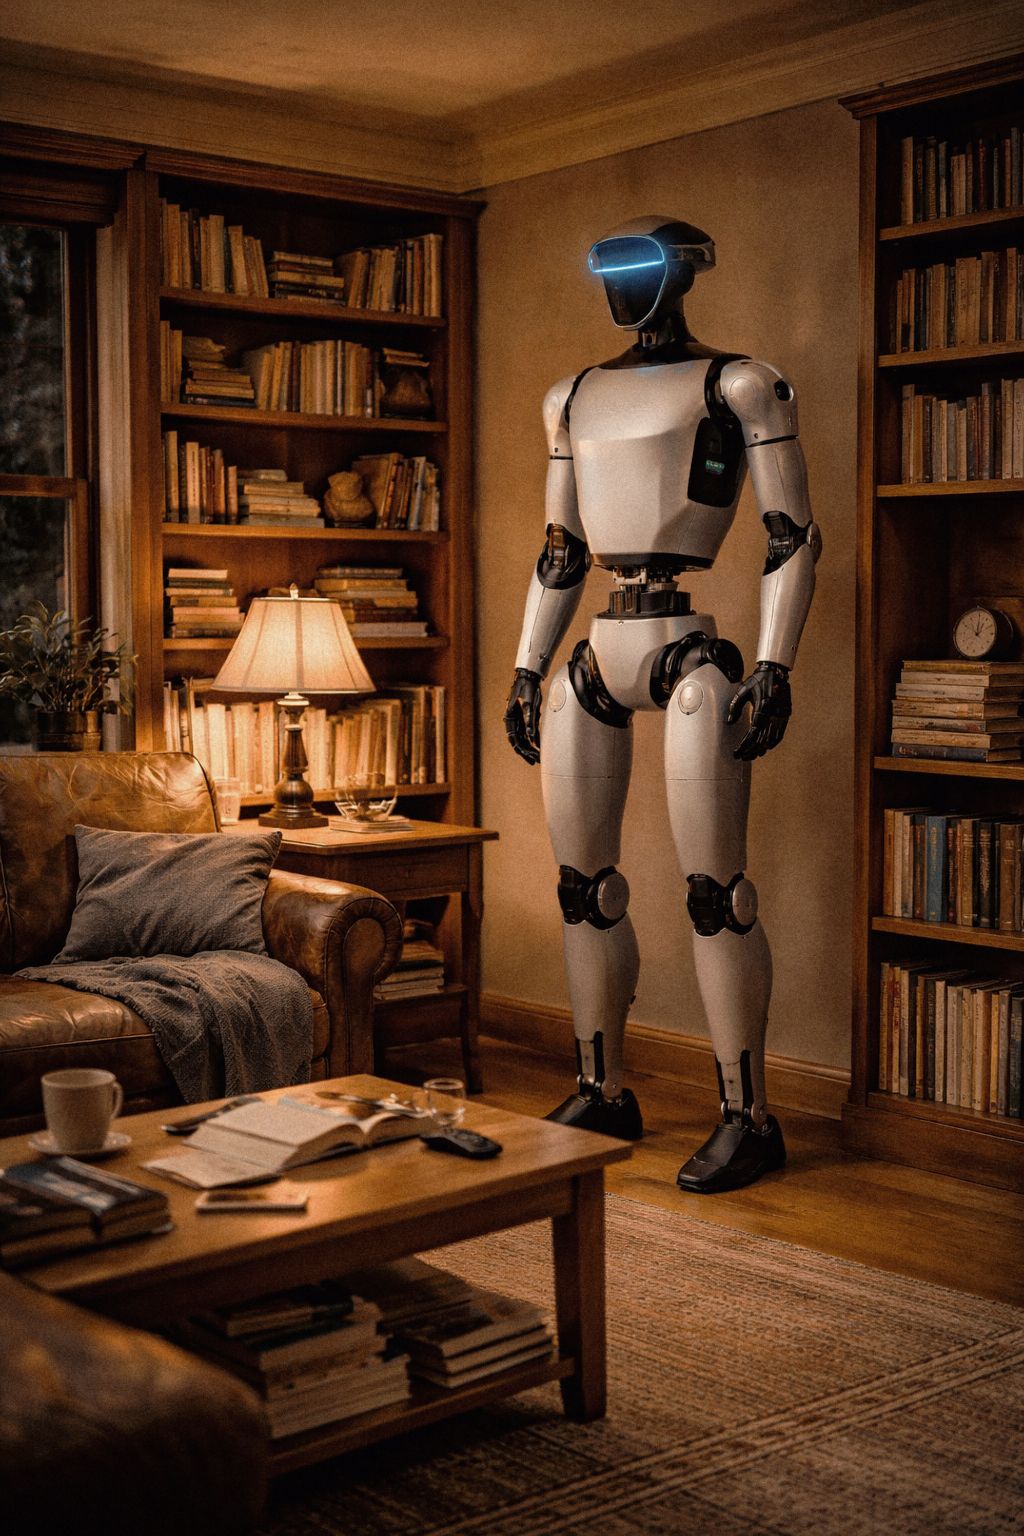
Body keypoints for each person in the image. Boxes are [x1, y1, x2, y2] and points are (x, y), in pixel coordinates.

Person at [503, 217, 820, 1193]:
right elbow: (560, 551)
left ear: (681, 272)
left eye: (640, 267)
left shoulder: (739, 385)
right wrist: (527, 666)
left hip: (691, 654)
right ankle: (602, 1088)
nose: (623, 284)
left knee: (713, 892)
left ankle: (746, 1114)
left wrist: (773, 665)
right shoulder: (573, 397)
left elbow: (790, 536)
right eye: (609, 266)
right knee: (579, 885)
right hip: (600, 649)